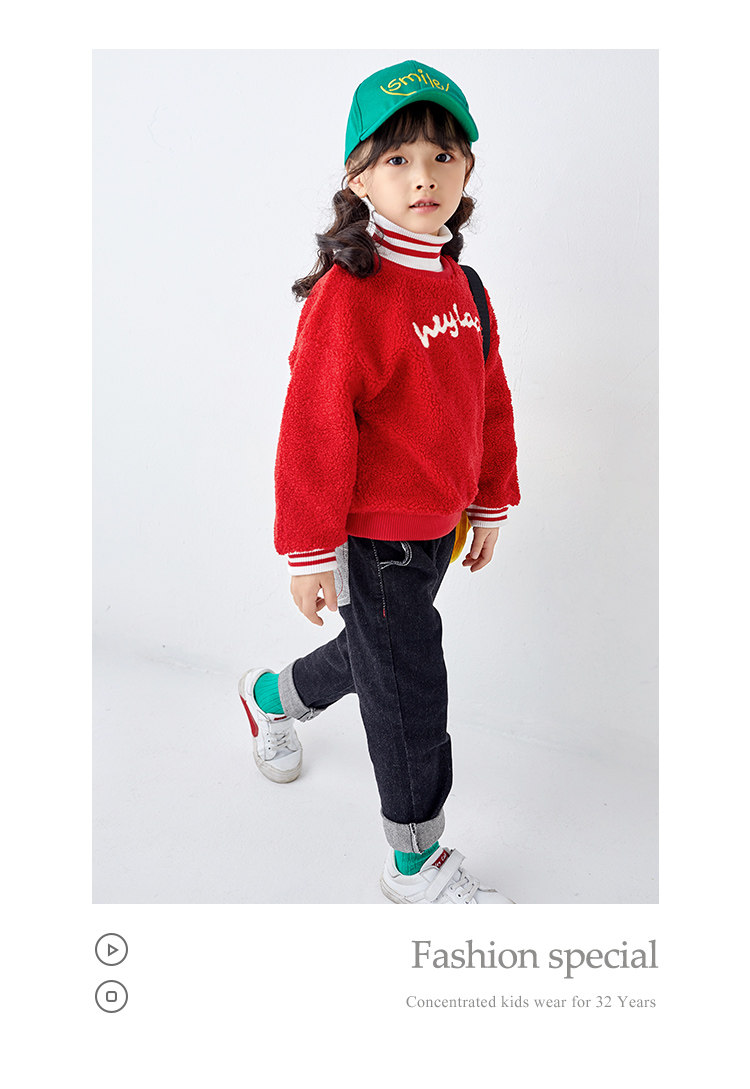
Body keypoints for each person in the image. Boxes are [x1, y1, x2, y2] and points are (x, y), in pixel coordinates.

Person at [238, 59, 520, 904]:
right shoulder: (350, 295)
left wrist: (489, 498)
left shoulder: (465, 286)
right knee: (409, 690)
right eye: (397, 159)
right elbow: (312, 425)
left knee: (380, 654)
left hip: (439, 530)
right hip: (375, 537)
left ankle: (271, 696)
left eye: (441, 156)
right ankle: (415, 861)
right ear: (359, 177)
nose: (422, 176)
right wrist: (310, 550)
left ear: (466, 170)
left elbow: (488, 396)